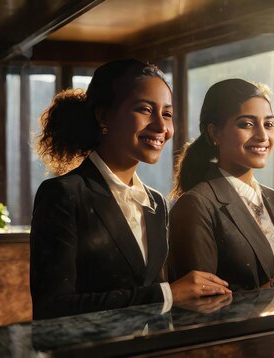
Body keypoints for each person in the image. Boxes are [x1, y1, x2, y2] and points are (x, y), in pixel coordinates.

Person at [30, 59, 230, 320]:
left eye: (167, 114)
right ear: (103, 116)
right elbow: (52, 307)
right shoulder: (63, 193)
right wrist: (167, 295)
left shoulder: (156, 202)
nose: (161, 126)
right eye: (145, 109)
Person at [168, 78, 274, 292]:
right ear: (215, 133)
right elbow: (200, 305)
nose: (262, 136)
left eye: (268, 124)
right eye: (247, 124)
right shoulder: (197, 204)